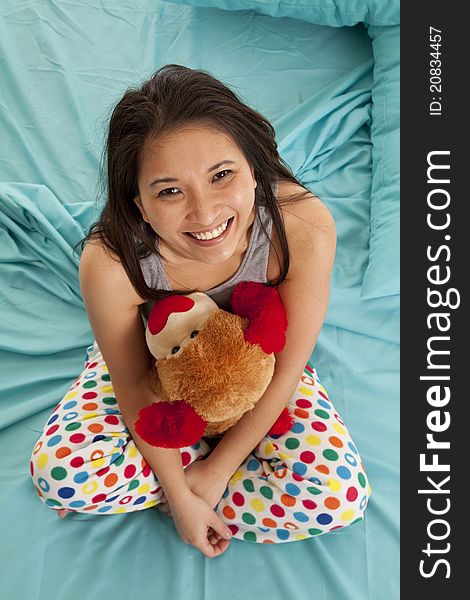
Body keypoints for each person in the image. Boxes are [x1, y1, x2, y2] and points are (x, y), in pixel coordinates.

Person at [30, 64, 371, 558]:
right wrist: (180, 496)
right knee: (57, 476)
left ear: (254, 170)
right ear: (140, 205)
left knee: (340, 499)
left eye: (222, 176)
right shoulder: (110, 264)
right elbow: (133, 384)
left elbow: (291, 365)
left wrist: (215, 471)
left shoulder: (302, 224)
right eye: (170, 191)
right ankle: (182, 488)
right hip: (160, 378)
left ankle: (169, 484)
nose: (205, 213)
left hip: (261, 374)